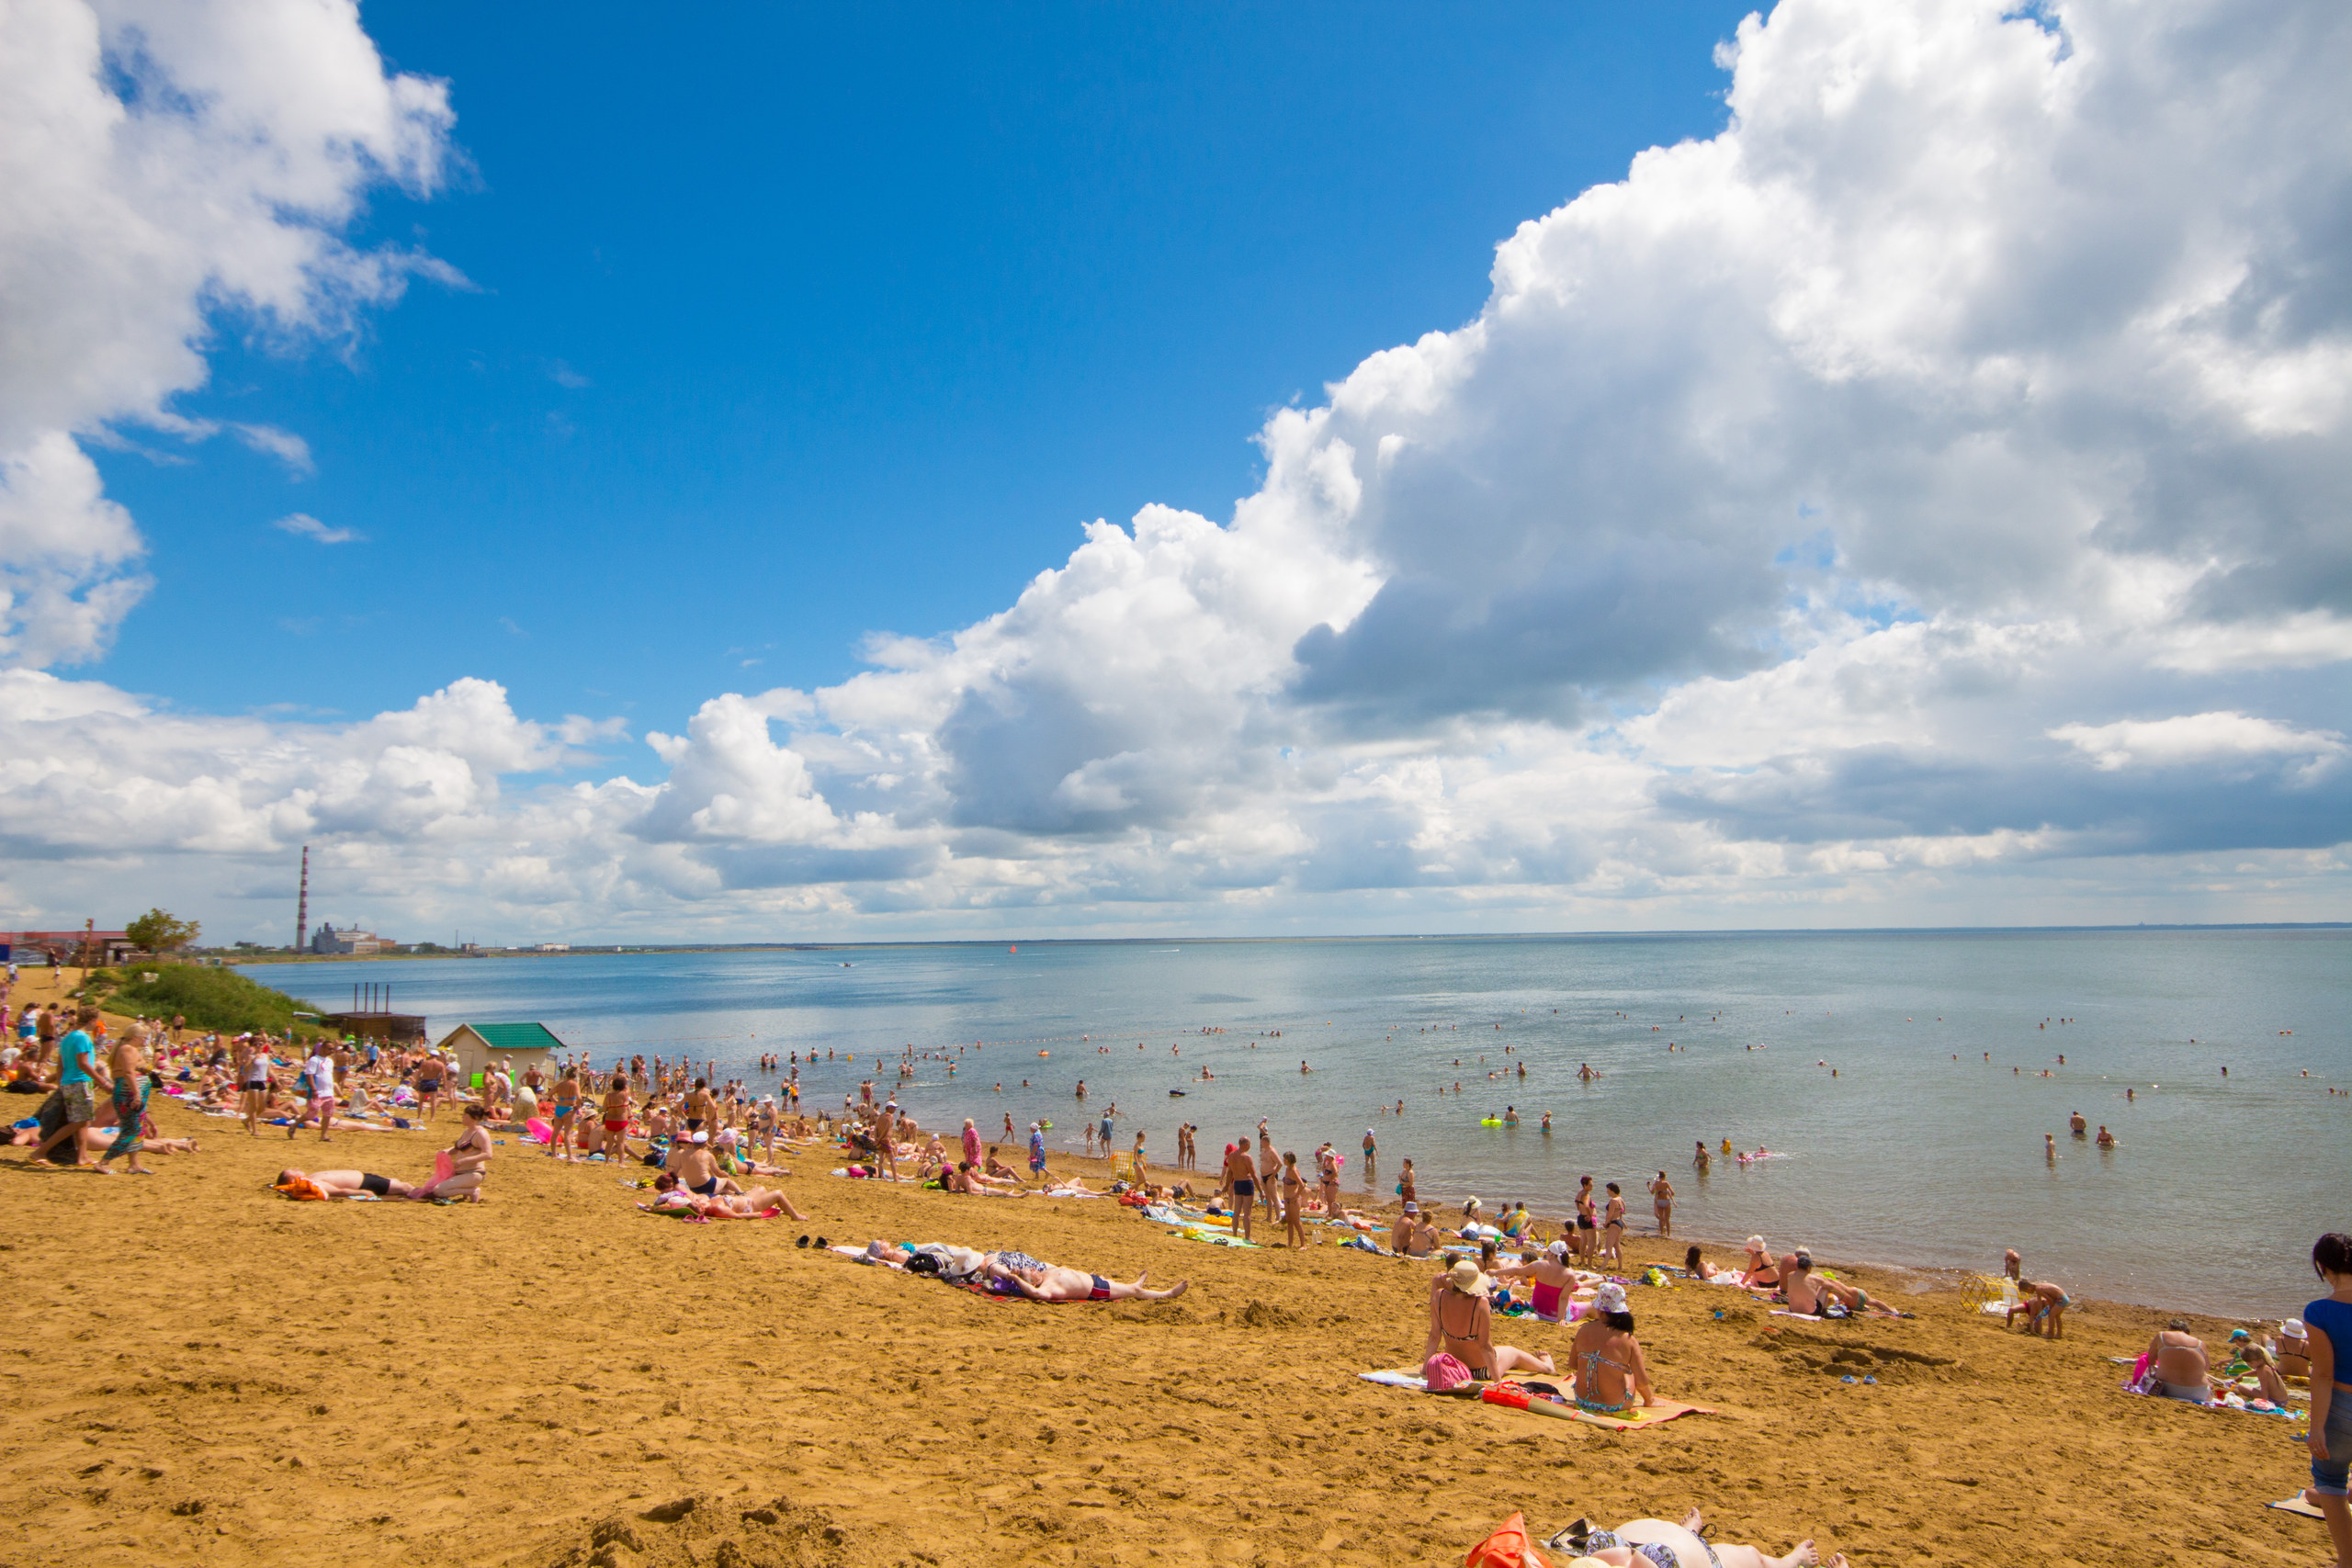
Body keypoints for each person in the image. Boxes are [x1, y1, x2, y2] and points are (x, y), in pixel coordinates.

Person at [2300, 1232, 2352, 1562]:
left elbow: (2323, 1374)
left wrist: (2315, 1427)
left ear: (2322, 1267)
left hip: (2341, 1408)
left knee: (2330, 1483)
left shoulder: (2319, 1311)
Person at [1557, 1507, 1845, 1568]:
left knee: (1752, 1558)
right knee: (1753, 1557)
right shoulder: (1608, 1555)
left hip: (1674, 1550)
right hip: (1644, 1538)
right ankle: (1794, 1559)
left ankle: (1794, 1559)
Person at [1424, 1258, 1554, 1381]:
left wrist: (1426, 1368)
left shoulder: (1439, 1297)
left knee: (1501, 1353)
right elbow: (1485, 1346)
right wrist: (1497, 1381)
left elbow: (1434, 1336)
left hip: (1454, 1367)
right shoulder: (1480, 1304)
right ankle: (1547, 1367)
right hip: (1481, 1371)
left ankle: (1539, 1366)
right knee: (1513, 1353)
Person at [19, 1007, 105, 1167]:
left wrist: (61, 1084)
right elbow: (84, 1064)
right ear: (92, 1021)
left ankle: (82, 1156)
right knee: (79, 1121)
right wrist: (103, 1082)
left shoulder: (68, 1038)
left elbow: (60, 1066)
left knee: (82, 1121)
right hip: (79, 1082)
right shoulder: (82, 1038)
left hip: (69, 1082)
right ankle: (39, 1152)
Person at [1566, 1281, 1655, 1413]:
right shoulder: (1628, 1339)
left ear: (1600, 1310)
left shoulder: (1583, 1330)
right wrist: (1648, 1400)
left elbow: (1573, 1364)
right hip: (1615, 1405)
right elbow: (1641, 1382)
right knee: (1628, 1372)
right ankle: (1651, 1401)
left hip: (1582, 1401)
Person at [985, 1258, 1189, 1303]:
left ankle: (1138, 1283)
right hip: (1096, 1289)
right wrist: (1016, 1279)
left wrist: (1015, 1273)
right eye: (1029, 1272)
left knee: (1116, 1283)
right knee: (1133, 1291)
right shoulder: (1045, 1286)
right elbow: (1036, 1294)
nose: (1032, 1269)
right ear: (1031, 1282)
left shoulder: (1044, 1274)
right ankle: (1166, 1294)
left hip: (1092, 1279)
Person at [409, 1104, 493, 1201]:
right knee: (432, 1190)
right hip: (459, 1173)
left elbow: (488, 1154)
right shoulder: (467, 1131)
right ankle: (466, 1190)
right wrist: (445, 1152)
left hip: (473, 1173)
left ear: (473, 1118)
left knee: (438, 1191)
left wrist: (464, 1161)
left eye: (465, 1115)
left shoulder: (481, 1133)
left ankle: (472, 1191)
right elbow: (458, 1148)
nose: (462, 1117)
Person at [96, 1029, 153, 1174]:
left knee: (137, 1129)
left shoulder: (129, 1049)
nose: (145, 1040)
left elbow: (134, 1069)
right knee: (131, 1130)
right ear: (136, 1037)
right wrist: (137, 1094)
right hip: (129, 1094)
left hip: (130, 1093)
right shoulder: (127, 1049)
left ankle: (134, 1164)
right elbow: (128, 1072)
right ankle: (104, 1162)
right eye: (144, 1037)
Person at [1493, 1240, 1578, 1322]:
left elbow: (1517, 1271)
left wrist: (1496, 1272)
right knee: (1586, 1306)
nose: (1546, 1253)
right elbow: (1563, 1298)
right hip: (1556, 1314)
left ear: (1552, 1254)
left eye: (1548, 1251)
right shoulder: (1570, 1273)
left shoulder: (1540, 1265)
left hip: (1536, 1308)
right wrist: (1561, 1319)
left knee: (1510, 1296)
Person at [2147, 1318, 2212, 1404]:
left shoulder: (2161, 1336)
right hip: (2199, 1393)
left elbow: (2151, 1360)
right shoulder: (2200, 1343)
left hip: (2166, 1389)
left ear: (2170, 1328)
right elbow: (2206, 1368)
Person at [294, 1040, 336, 1142]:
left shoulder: (330, 1061)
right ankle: (294, 1125)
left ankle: (324, 1135)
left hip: (328, 1092)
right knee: (311, 1113)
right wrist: (313, 1089)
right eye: (330, 1049)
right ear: (323, 1048)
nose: (332, 1051)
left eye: (332, 1049)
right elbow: (309, 1075)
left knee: (328, 1114)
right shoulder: (314, 1060)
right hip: (317, 1092)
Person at [279, 1168, 419, 1198]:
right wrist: (363, 1193)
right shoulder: (313, 1183)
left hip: (365, 1177)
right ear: (292, 1180)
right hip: (364, 1184)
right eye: (292, 1171)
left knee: (396, 1183)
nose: (297, 1169)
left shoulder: (311, 1177)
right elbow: (337, 1191)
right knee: (404, 1187)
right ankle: (433, 1193)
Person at [1221, 1137, 1257, 1243]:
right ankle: (1247, 1236)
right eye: (1249, 1144)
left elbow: (1230, 1172)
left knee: (1236, 1211)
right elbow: (1254, 1175)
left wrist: (1227, 1185)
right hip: (1246, 1183)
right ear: (1245, 1145)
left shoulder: (1231, 1156)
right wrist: (1260, 1190)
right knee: (1247, 1212)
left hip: (1237, 1183)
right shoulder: (1247, 1157)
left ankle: (1235, 1234)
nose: (1250, 1146)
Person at [2007, 1280, 2071, 1337]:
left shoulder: (2038, 1289)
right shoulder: (2039, 1286)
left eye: (2026, 1292)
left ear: (2028, 1288)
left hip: (2060, 1299)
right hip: (2064, 1297)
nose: (2028, 1293)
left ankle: (2050, 1333)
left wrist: (2050, 1309)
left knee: (2051, 1315)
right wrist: (2039, 1315)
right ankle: (2059, 1334)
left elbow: (2050, 1300)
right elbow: (2040, 1303)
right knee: (2057, 1316)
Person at [548, 1065, 581, 1160]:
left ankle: (554, 1155)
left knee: (555, 1133)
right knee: (567, 1134)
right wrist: (578, 1106)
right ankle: (570, 1156)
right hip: (569, 1109)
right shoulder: (574, 1084)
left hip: (559, 1108)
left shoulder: (561, 1084)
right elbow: (579, 1098)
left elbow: (550, 1094)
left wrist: (556, 1102)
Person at [600, 1074, 634, 1162]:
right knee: (621, 1143)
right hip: (621, 1121)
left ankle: (606, 1162)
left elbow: (604, 1109)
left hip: (610, 1120)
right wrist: (625, 1080)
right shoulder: (625, 1094)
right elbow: (628, 1088)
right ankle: (620, 1163)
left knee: (609, 1143)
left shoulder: (608, 1095)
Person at [1280, 1150, 1308, 1248]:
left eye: (1285, 1159)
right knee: (1289, 1221)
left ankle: (1303, 1245)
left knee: (1296, 1222)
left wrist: (1295, 1197)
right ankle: (1290, 1243)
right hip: (1287, 1199)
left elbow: (1302, 1185)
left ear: (1289, 1160)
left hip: (1293, 1200)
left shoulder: (1293, 1170)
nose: (1283, 1160)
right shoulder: (1287, 1169)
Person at [1647, 1171, 1675, 1237]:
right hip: (1666, 1201)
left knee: (1661, 1218)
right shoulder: (1666, 1183)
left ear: (1659, 1177)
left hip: (1659, 1201)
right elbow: (1673, 1193)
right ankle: (1668, 1234)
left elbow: (1652, 1192)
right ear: (1664, 1176)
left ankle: (1662, 1233)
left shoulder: (1656, 1183)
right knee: (1667, 1219)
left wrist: (1648, 1186)